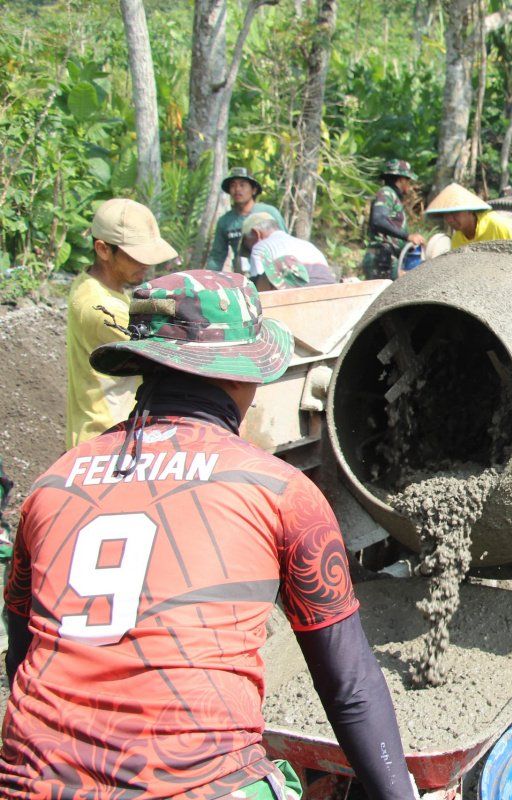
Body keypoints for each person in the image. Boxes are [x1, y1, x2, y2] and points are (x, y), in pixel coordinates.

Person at [2, 271, 419, 799]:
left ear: (144, 368)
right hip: (198, 784)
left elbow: (23, 659)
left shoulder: (54, 483)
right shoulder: (278, 491)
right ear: (244, 374)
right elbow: (350, 688)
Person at [66, 199, 178, 449]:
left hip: (114, 432)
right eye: (137, 257)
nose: (147, 265)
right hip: (105, 438)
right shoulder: (99, 308)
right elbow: (165, 355)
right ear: (103, 249)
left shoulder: (99, 286)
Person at [205, 167, 287, 272]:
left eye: (242, 185)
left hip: (273, 272)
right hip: (244, 275)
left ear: (254, 190)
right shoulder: (225, 221)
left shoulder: (269, 213)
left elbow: (285, 242)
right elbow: (217, 257)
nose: (237, 189)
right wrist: (209, 278)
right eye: (233, 185)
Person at [363, 158, 425, 279]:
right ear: (401, 179)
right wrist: (408, 236)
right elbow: (378, 220)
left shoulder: (392, 196)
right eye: (408, 180)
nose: (409, 185)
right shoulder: (386, 193)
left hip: (387, 257)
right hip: (381, 257)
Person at [242, 212, 337, 291]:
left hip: (297, 298)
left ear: (256, 233)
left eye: (247, 245)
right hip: (330, 292)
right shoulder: (308, 245)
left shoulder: (260, 247)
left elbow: (258, 290)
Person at [424, 183, 512, 249]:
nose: (450, 219)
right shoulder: (457, 240)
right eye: (446, 215)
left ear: (469, 210)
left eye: (455, 213)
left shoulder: (497, 225)